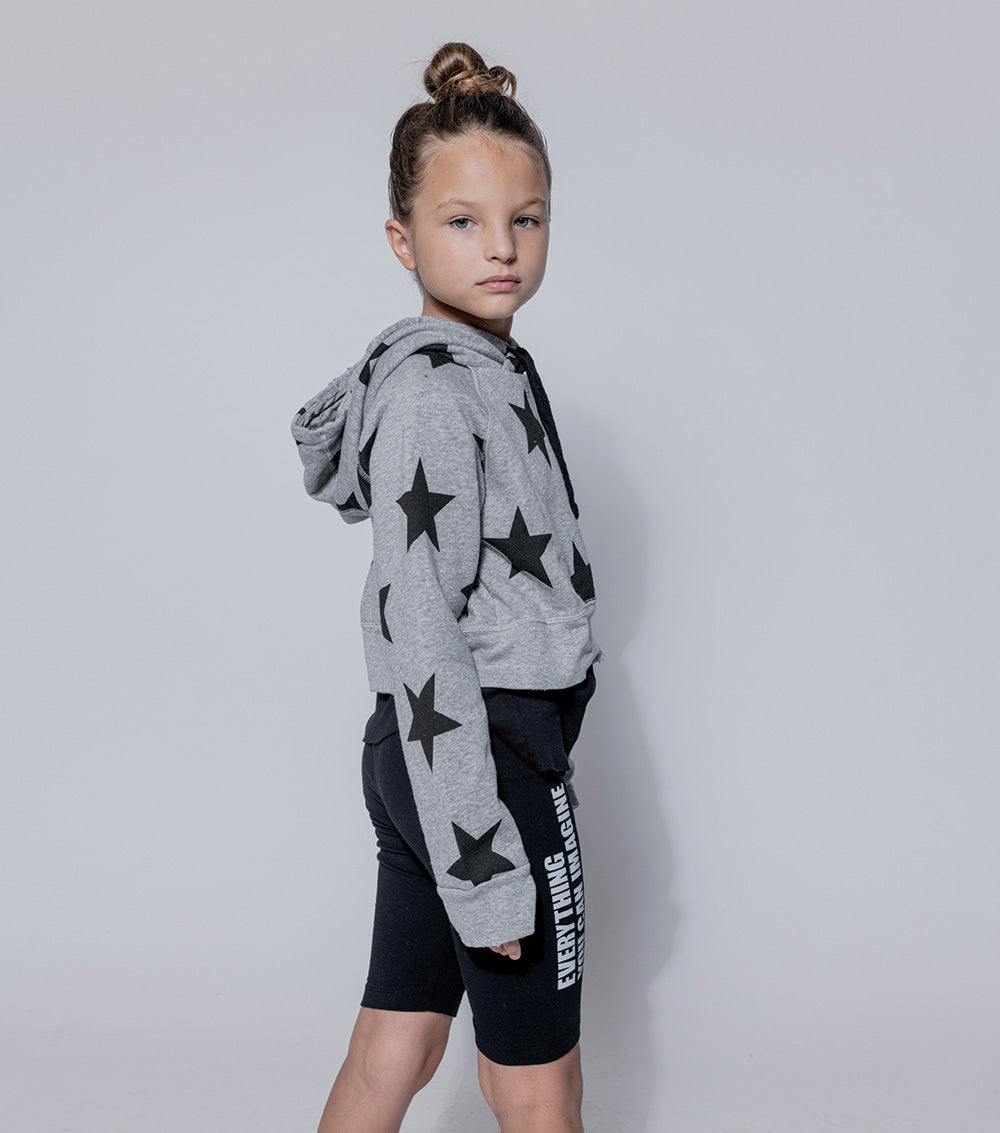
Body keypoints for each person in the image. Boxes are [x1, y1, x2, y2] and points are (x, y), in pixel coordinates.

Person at [290, 40, 603, 1133]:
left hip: (423, 749)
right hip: (480, 757)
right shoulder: (434, 392)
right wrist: (484, 856)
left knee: (398, 1041)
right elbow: (422, 617)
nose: (502, 246)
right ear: (403, 238)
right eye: (462, 220)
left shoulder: (481, 369)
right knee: (537, 1082)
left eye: (527, 217)